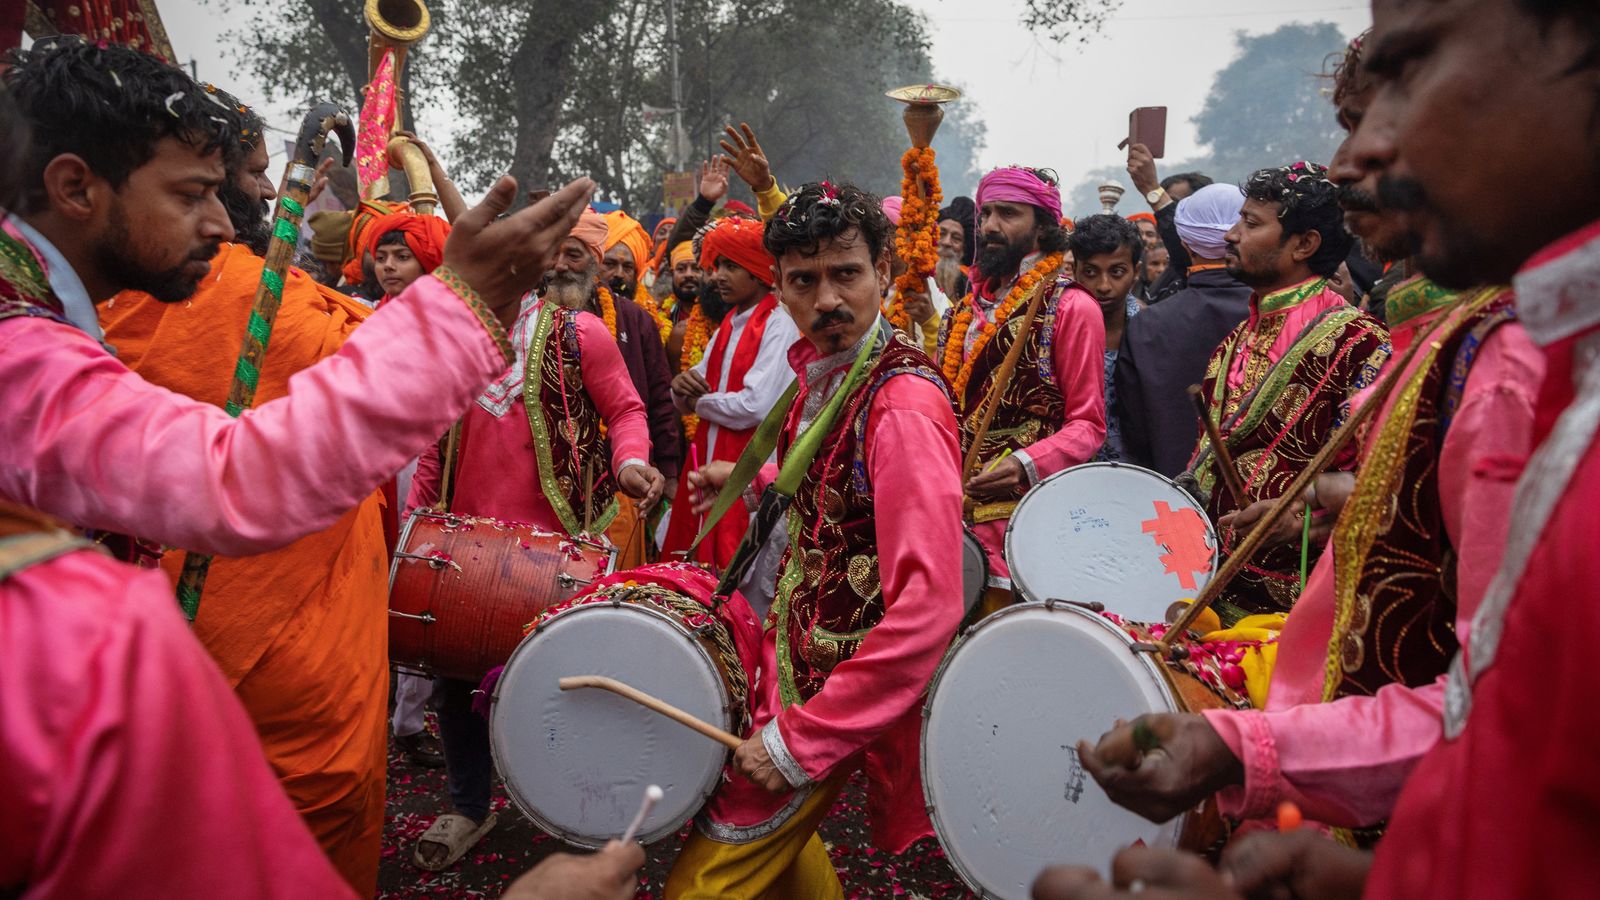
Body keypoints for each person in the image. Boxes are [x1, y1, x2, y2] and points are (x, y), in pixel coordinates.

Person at [1036, 0, 1600, 894]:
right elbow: (1522, 742)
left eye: (1408, 74)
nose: (1356, 160)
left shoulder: (1501, 364)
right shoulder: (1523, 346)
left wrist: (1249, 751)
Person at [0, 40, 597, 568]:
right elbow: (235, 481)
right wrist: (465, 304)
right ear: (75, 187)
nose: (220, 224)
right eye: (190, 195)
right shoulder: (19, 355)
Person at [91, 95, 429, 892]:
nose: (248, 200)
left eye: (235, 182)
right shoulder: (253, 302)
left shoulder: (78, 300)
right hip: (273, 649)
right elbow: (395, 383)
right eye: (232, 179)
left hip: (158, 636)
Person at [664, 182, 963, 899]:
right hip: (793, 656)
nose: (827, 299)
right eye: (804, 280)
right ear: (780, 289)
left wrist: (804, 740)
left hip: (827, 690)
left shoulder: (902, 406)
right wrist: (756, 478)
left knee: (699, 888)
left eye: (846, 274)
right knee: (779, 861)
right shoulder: (835, 372)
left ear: (884, 275)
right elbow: (829, 463)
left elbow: (929, 605)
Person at [405, 208, 663, 871]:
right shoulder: (457, 337)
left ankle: (575, 816)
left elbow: (628, 410)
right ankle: (468, 807)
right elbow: (434, 439)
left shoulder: (581, 335)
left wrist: (631, 461)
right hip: (462, 551)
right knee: (456, 688)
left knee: (563, 688)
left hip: (556, 554)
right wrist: (414, 527)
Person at [1185, 162, 1390, 620]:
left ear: (1304, 244)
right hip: (1207, 591)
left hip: (1300, 607)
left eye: (1251, 223)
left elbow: (1386, 482)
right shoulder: (1232, 342)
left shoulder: (1362, 344)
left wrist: (1308, 520)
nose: (1231, 236)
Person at [935, 165, 1106, 607]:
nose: (990, 226)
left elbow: (1088, 425)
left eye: (1007, 214)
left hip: (1023, 526)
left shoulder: (1070, 307)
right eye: (986, 212)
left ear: (1044, 227)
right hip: (946, 518)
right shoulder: (960, 314)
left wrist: (1025, 464)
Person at [663, 214, 800, 572]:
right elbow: (693, 382)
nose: (717, 276)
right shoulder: (731, 321)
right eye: (717, 265)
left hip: (747, 476)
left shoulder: (778, 324)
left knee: (741, 579)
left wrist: (696, 403)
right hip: (710, 469)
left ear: (757, 271)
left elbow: (755, 407)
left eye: (730, 266)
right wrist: (681, 391)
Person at [1114, 184, 1255, 478]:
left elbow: (1134, 428)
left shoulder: (1147, 324)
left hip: (1174, 494)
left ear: (1186, 245)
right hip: (1269, 499)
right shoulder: (1279, 312)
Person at [598, 209, 683, 565]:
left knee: (617, 575)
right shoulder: (557, 312)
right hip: (561, 475)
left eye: (628, 266)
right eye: (611, 263)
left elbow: (661, 399)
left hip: (625, 476)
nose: (619, 274)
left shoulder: (639, 321)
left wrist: (670, 471)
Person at [1067, 214, 1143, 463]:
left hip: (1139, 472)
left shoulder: (1151, 328)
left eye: (1117, 272)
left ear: (1136, 271)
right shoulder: (1055, 327)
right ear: (1075, 271)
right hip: (1071, 469)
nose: (1104, 285)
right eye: (1091, 272)